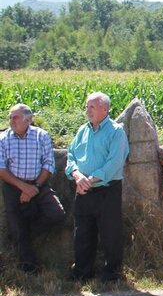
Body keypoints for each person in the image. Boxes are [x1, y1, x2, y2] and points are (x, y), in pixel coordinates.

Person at [65, 92, 129, 283]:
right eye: (87, 106)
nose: (88, 110)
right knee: (82, 232)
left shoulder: (116, 132)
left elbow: (114, 163)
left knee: (111, 233)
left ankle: (112, 275)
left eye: (92, 107)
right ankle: (82, 273)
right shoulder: (82, 131)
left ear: (105, 109)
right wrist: (77, 175)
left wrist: (90, 179)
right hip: (83, 189)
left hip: (107, 189)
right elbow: (71, 156)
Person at [0, 104, 65, 273]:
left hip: (39, 184)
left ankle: (29, 230)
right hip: (13, 186)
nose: (11, 121)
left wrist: (34, 187)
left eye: (15, 117)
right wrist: (23, 188)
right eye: (10, 117)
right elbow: (1, 169)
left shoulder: (41, 136)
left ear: (27, 120)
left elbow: (49, 164)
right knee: (17, 228)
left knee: (56, 214)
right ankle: (29, 269)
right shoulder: (3, 139)